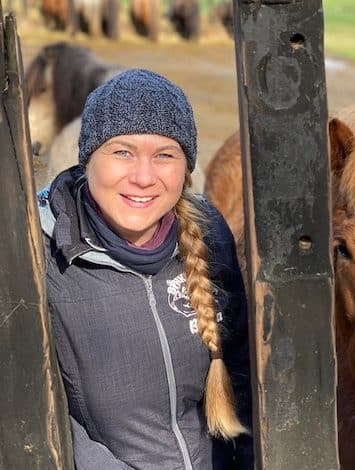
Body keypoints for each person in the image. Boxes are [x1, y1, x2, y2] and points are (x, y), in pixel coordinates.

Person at [36, 69, 254, 469]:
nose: (142, 177)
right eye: (122, 151)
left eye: (164, 155)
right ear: (88, 160)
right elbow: (40, 412)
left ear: (186, 169)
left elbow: (242, 368)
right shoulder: (42, 252)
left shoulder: (209, 234)